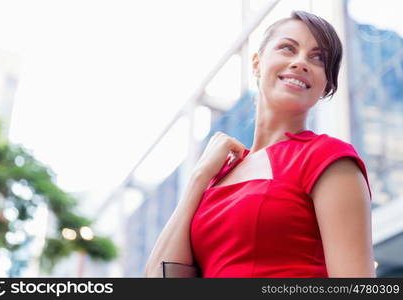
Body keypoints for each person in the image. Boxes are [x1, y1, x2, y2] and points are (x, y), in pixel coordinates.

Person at [145, 10, 376, 278]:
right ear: (256, 63)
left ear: (326, 85)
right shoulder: (215, 175)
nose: (301, 62)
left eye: (318, 58)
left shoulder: (328, 158)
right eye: (288, 48)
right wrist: (199, 176)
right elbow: (159, 277)